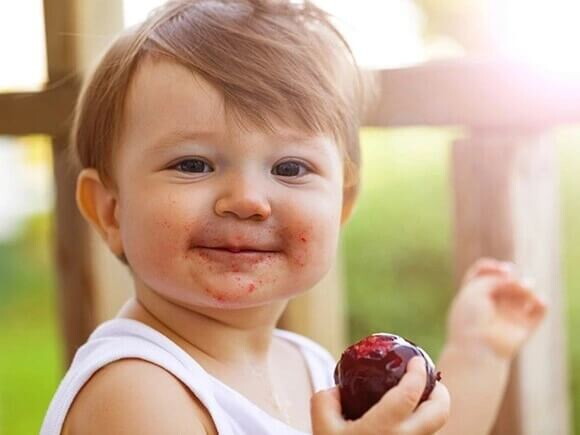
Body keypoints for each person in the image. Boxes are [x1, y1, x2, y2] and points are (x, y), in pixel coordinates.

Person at [40, 1, 546, 434]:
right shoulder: (136, 390)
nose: (246, 199)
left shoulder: (306, 366)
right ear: (110, 209)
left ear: (342, 203)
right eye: (193, 164)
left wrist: (479, 353)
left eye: (290, 167)